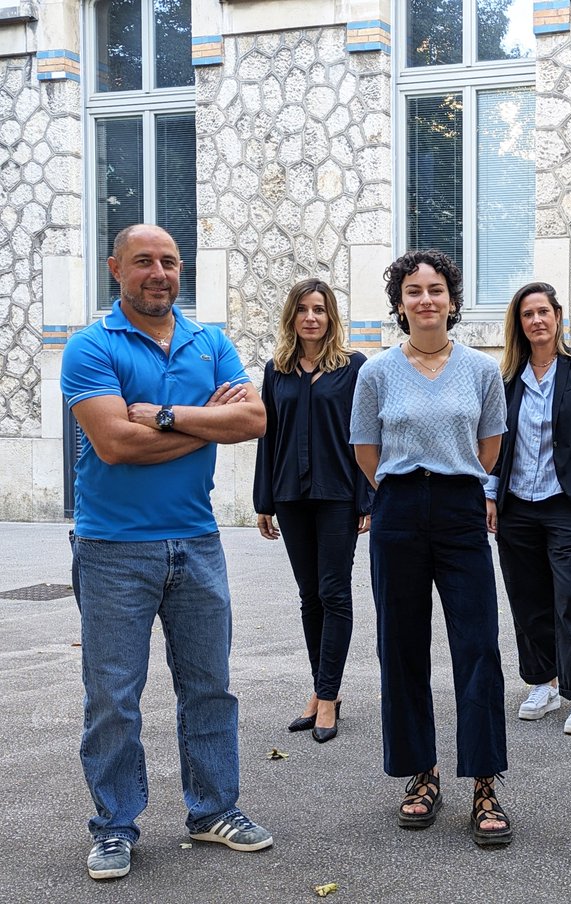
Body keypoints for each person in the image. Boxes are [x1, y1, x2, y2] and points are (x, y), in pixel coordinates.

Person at [61, 224, 273, 881]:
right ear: (114, 268)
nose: (159, 272)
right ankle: (114, 827)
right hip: (112, 549)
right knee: (114, 698)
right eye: (144, 261)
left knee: (210, 687)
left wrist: (158, 414)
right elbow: (112, 446)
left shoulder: (208, 341)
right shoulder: (89, 347)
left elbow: (255, 420)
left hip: (197, 542)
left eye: (170, 261)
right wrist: (204, 423)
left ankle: (213, 811)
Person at [349, 249, 513, 846]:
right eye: (414, 291)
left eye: (436, 289)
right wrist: (404, 487)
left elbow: (489, 448)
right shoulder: (376, 372)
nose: (426, 300)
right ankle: (423, 772)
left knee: (477, 646)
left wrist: (448, 480)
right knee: (402, 646)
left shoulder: (479, 370)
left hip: (460, 507)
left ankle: (485, 783)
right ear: (399, 304)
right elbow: (367, 452)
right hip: (395, 511)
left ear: (452, 299)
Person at [485, 282, 571, 734]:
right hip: (517, 505)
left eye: (543, 312)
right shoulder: (507, 378)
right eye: (527, 315)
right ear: (519, 324)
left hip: (566, 502)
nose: (536, 321)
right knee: (527, 598)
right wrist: (490, 493)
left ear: (558, 316)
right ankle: (543, 681)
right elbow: (495, 439)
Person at [253, 278, 371, 744]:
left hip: (339, 493)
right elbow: (269, 437)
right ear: (292, 316)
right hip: (290, 495)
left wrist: (368, 498)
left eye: (319, 309)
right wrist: (264, 500)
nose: (311, 317)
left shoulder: (353, 368)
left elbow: (366, 435)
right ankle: (325, 691)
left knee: (334, 593)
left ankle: (326, 695)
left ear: (331, 317)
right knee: (309, 596)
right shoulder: (276, 370)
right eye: (303, 309)